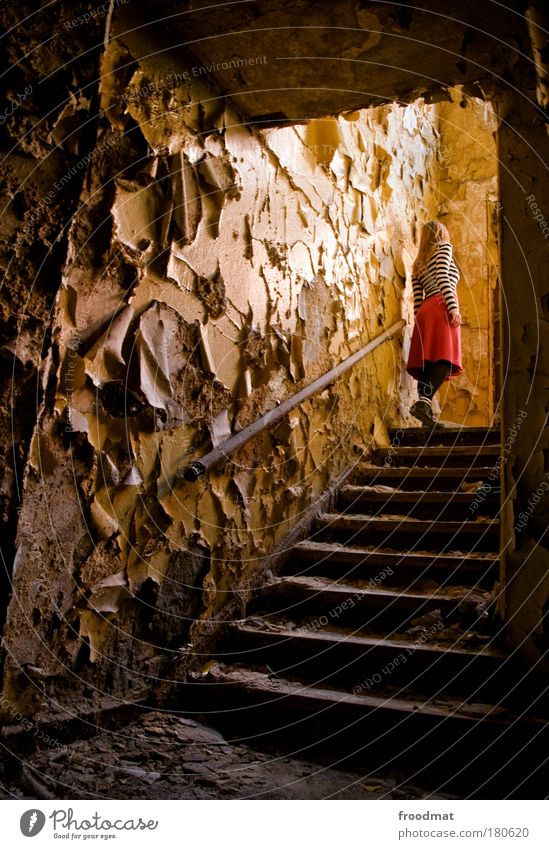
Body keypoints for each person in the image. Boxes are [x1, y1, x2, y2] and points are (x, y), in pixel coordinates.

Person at [406, 220, 462, 428]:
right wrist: (452, 307)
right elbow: (442, 277)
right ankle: (424, 404)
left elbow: (418, 299)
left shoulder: (419, 262)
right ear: (441, 234)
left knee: (429, 362)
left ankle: (425, 410)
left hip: (425, 312)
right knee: (445, 359)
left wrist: (420, 325)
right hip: (441, 306)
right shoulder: (444, 248)